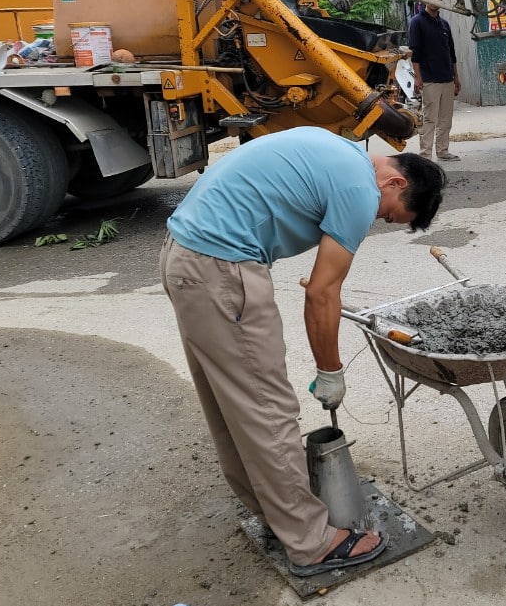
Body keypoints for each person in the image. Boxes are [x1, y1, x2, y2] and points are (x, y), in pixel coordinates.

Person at [159, 126, 446, 577]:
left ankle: (276, 514)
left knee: (232, 404)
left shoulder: (337, 149)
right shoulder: (360, 189)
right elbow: (321, 293)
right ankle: (311, 543)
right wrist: (330, 371)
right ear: (395, 182)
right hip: (220, 269)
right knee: (267, 409)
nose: (376, 219)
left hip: (183, 256)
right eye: (389, 215)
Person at [408, 0, 462, 162]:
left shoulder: (444, 24)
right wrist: (418, 78)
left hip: (447, 78)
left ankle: (443, 151)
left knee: (446, 119)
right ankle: (425, 155)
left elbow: (451, 53)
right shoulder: (417, 22)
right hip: (429, 79)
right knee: (430, 118)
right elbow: (415, 53)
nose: (436, 0)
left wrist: (456, 77)